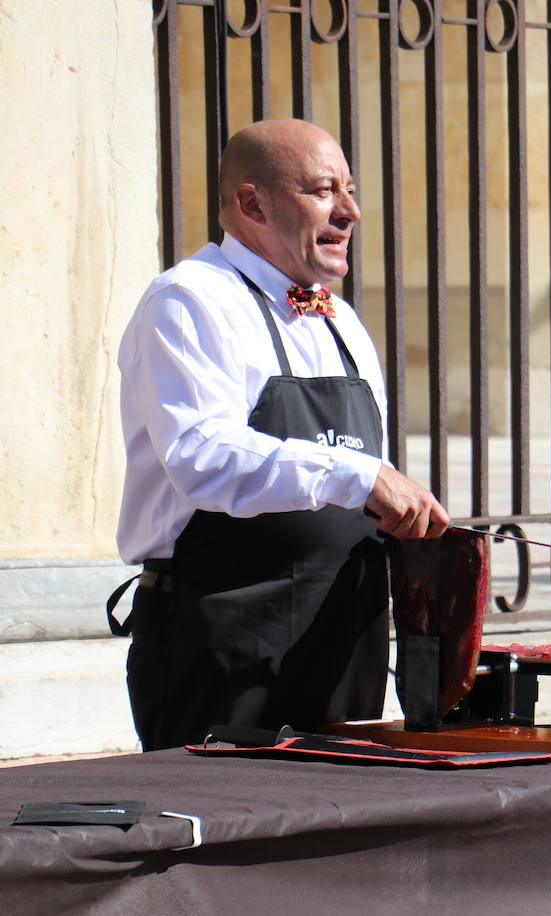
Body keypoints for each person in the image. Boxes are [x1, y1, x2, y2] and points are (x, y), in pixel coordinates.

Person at [109, 119, 450, 750]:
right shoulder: (188, 302)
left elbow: (361, 482)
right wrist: (359, 475)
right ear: (251, 203)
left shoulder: (341, 320)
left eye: (350, 190)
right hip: (225, 641)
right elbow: (202, 455)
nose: (349, 211)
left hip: (345, 643)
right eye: (324, 191)